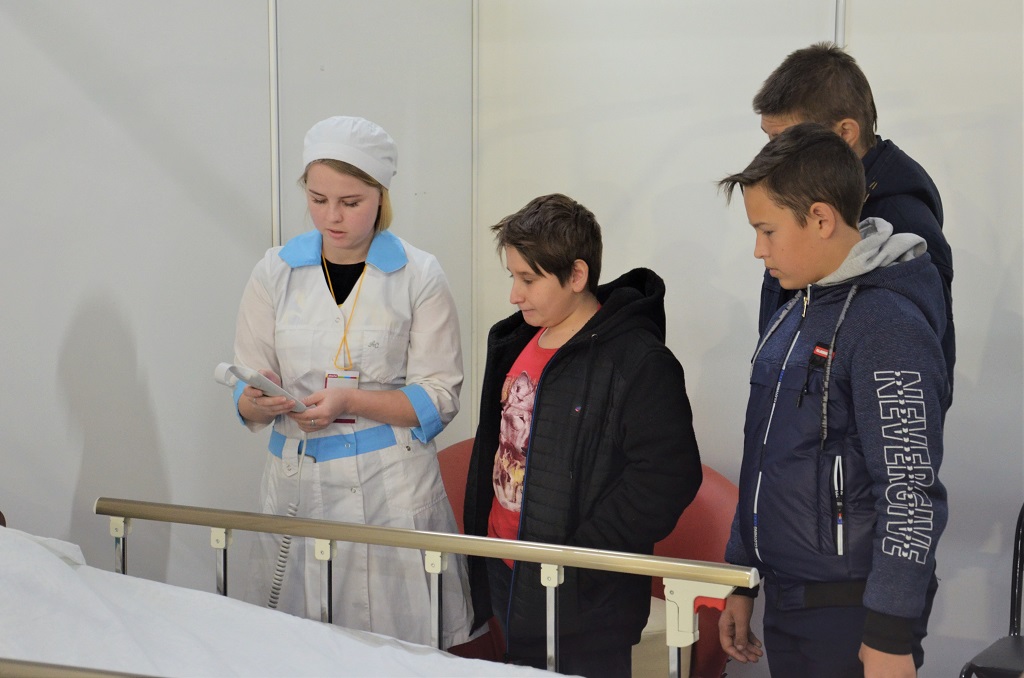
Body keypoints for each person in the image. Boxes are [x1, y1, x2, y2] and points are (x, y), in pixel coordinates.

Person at [229, 115, 473, 648]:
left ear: (381, 196)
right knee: (297, 648)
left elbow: (439, 397)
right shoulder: (274, 272)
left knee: (399, 650)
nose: (331, 216)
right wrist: (256, 402)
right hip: (296, 480)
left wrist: (351, 400)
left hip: (391, 487)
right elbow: (246, 390)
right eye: (318, 199)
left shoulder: (418, 274)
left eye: (351, 202)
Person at [717, 123, 949, 678]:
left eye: (767, 231)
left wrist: (889, 632)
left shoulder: (888, 324)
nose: (758, 249)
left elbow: (910, 490)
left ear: (821, 219)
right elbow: (764, 458)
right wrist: (741, 577)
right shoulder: (792, 314)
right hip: (790, 602)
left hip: (854, 615)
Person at [462, 193, 703, 677]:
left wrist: (582, 558)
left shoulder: (638, 361)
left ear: (576, 275)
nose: (514, 295)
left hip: (585, 598)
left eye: (528, 279)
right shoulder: (516, 340)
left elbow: (668, 476)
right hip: (507, 565)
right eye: (512, 277)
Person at [752, 42, 955, 393]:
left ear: (845, 133)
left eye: (785, 139)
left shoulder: (904, 223)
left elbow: (916, 378)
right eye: (769, 139)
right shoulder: (811, 196)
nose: (772, 155)